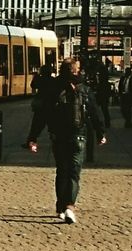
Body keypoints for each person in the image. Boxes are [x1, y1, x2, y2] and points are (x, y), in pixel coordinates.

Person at [26, 55, 107, 224]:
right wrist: (101, 133)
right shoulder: (84, 88)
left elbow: (41, 115)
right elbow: (94, 113)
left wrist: (33, 138)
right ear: (77, 70)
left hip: (58, 136)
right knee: (74, 172)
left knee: (61, 170)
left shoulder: (52, 89)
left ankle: (61, 207)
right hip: (79, 135)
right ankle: (70, 206)